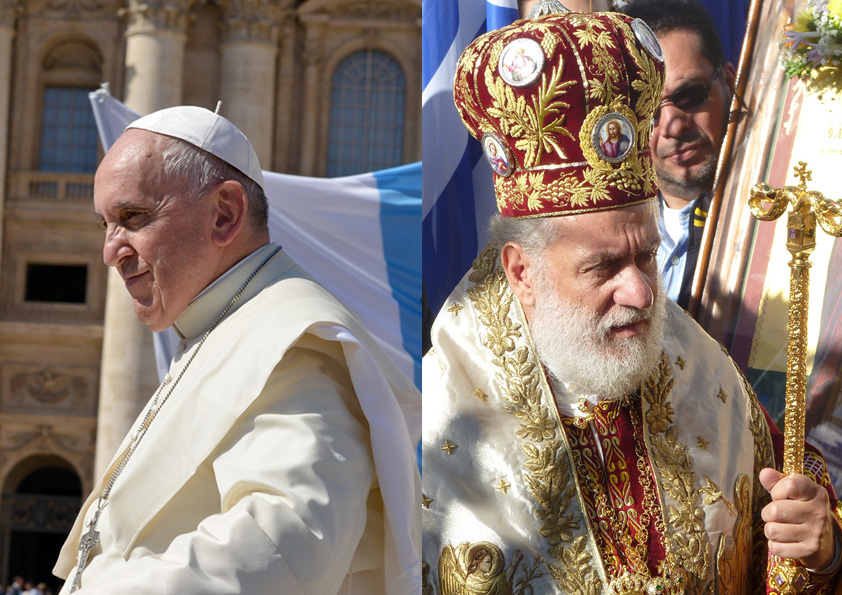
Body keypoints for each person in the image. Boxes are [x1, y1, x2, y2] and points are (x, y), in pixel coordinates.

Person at [422, 10, 841, 595]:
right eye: (603, 266)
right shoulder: (433, 429)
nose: (641, 293)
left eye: (645, 255)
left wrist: (821, 551)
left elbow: (793, 533)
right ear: (521, 271)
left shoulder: (703, 370)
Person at [52, 106, 421, 594]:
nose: (110, 251)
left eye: (133, 217)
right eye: (105, 224)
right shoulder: (218, 329)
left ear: (224, 214)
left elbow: (284, 545)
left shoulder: (294, 339)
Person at [619, 0, 736, 310]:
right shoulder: (610, 244)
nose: (672, 125)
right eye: (646, 111)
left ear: (729, 83)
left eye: (689, 96)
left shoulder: (789, 216)